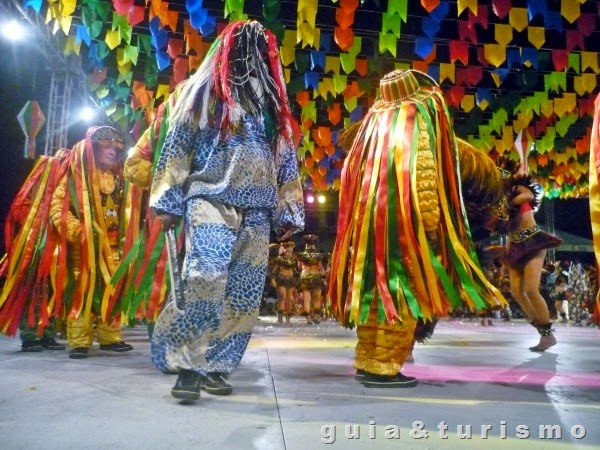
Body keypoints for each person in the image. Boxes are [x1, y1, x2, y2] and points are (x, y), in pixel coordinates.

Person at [149, 20, 305, 402]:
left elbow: (284, 158)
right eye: (247, 46)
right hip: (210, 198)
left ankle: (217, 366)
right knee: (205, 275)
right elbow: (177, 143)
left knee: (243, 293)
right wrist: (168, 199)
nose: (255, 55)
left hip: (258, 209)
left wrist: (289, 210)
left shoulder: (271, 104)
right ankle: (188, 365)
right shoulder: (202, 92)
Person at [328, 69, 506, 388]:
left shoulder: (372, 131)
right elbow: (424, 184)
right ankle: (383, 368)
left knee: (374, 298)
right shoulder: (414, 128)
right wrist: (431, 226)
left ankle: (368, 360)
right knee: (402, 299)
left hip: (371, 236)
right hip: (405, 235)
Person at [49, 126, 142, 359]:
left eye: (116, 148)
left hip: (113, 246)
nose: (112, 152)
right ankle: (79, 341)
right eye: (106, 147)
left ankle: (110, 337)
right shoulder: (74, 176)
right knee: (83, 290)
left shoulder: (119, 179)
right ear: (93, 148)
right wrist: (79, 231)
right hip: (85, 247)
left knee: (113, 287)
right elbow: (58, 208)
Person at [0, 150, 69, 352]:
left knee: (53, 291)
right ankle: (30, 335)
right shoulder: (31, 192)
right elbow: (18, 211)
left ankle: (47, 334)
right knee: (32, 291)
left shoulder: (66, 191)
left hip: (57, 247)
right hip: (34, 247)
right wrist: (40, 218)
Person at [496, 156, 562, 351]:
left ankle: (548, 335)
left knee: (531, 290)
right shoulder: (499, 203)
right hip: (515, 244)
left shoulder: (519, 189)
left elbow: (528, 197)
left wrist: (507, 201)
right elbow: (508, 230)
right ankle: (543, 332)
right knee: (516, 291)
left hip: (533, 241)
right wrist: (506, 260)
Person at [297, 235, 326, 324]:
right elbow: (321, 268)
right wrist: (324, 276)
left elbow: (299, 267)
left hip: (305, 276)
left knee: (306, 298)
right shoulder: (318, 256)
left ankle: (308, 317)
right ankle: (315, 315)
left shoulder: (301, 255)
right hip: (315, 277)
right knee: (316, 297)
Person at [270, 241, 298, 324]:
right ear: (284, 251)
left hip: (290, 280)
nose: (289, 253)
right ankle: (280, 317)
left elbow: (294, 271)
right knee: (283, 297)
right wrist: (273, 279)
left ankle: (288, 317)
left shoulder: (293, 260)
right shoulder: (279, 260)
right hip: (281, 279)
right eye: (288, 251)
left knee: (289, 298)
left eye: (291, 251)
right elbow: (273, 271)